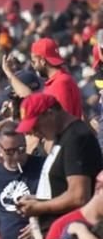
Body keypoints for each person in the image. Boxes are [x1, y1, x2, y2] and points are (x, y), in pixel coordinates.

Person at [15, 93, 102, 230]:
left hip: (72, 234)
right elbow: (60, 188)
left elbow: (78, 197)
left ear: (50, 113)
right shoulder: (61, 137)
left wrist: (40, 207)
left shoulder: (76, 138)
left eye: (36, 126)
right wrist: (37, 199)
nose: (34, 132)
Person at [0, 124, 43, 239]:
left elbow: (57, 199)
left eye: (21, 149)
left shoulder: (42, 166)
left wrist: (39, 226)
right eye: (10, 152)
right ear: (0, 150)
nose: (17, 156)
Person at [4, 38, 83, 120]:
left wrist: (8, 73)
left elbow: (59, 121)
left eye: (34, 61)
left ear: (42, 61)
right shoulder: (59, 80)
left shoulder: (60, 83)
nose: (33, 66)